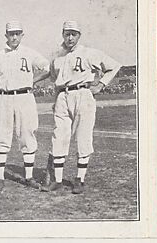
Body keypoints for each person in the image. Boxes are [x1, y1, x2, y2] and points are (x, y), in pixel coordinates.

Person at [39, 21, 122, 194]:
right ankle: (58, 180)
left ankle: (80, 179)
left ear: (79, 36)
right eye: (67, 34)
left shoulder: (89, 53)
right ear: (62, 34)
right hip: (62, 96)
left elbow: (114, 66)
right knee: (58, 137)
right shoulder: (57, 56)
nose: (70, 37)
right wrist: (56, 100)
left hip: (83, 94)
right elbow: (55, 81)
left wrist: (100, 85)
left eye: (73, 34)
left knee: (83, 137)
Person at [0, 21, 50, 191]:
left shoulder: (30, 53)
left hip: (25, 97)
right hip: (4, 98)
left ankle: (29, 177)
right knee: (2, 136)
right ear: (6, 36)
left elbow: (49, 68)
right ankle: (0, 178)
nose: (14, 37)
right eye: (11, 34)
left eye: (17, 33)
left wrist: (34, 80)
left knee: (27, 134)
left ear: (22, 35)